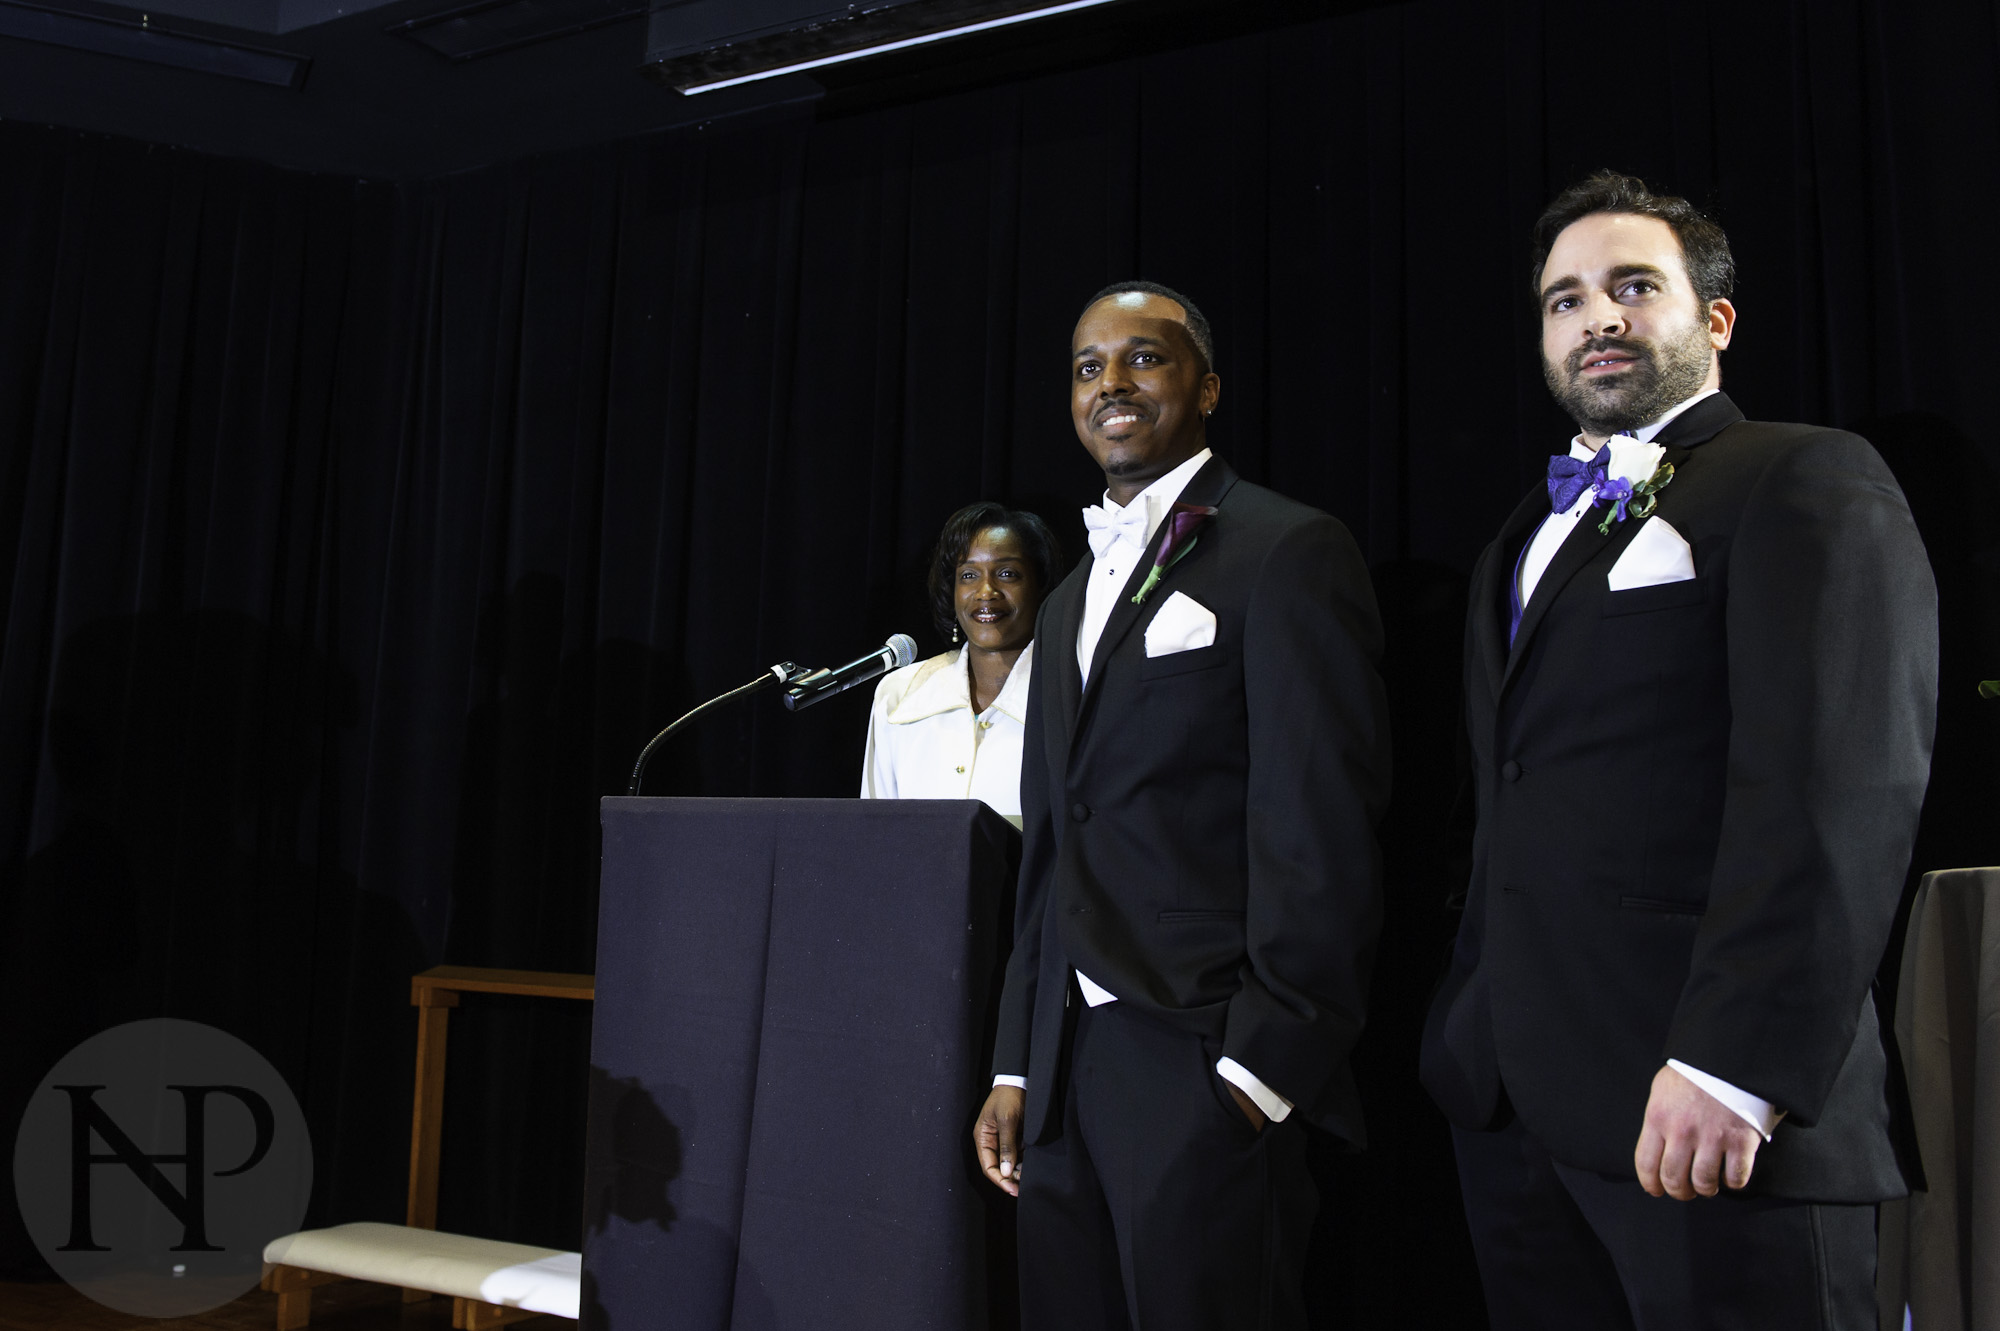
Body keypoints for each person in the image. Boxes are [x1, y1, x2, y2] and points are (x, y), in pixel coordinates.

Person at [1419, 171, 1938, 1329]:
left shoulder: (1804, 475)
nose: (1593, 316)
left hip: (1709, 1115)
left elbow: (1837, 790)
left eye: (1629, 286)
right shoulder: (1520, 533)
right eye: (1562, 299)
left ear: (1712, 321)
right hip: (1512, 1111)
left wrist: (1732, 1066)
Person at [971, 281, 1390, 1328]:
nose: (1110, 381)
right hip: (1063, 1073)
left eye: (1141, 358)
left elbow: (1325, 824)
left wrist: (1258, 1068)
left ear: (1204, 388)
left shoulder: (1287, 549)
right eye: (1086, 365)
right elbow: (1052, 846)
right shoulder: (1063, 598)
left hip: (1200, 1055)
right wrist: (1018, 1058)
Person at [860, 502, 1060, 823]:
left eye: (1007, 574)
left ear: (1041, 589)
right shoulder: (899, 695)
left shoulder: (1070, 696)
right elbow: (873, 836)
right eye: (968, 575)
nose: (986, 591)